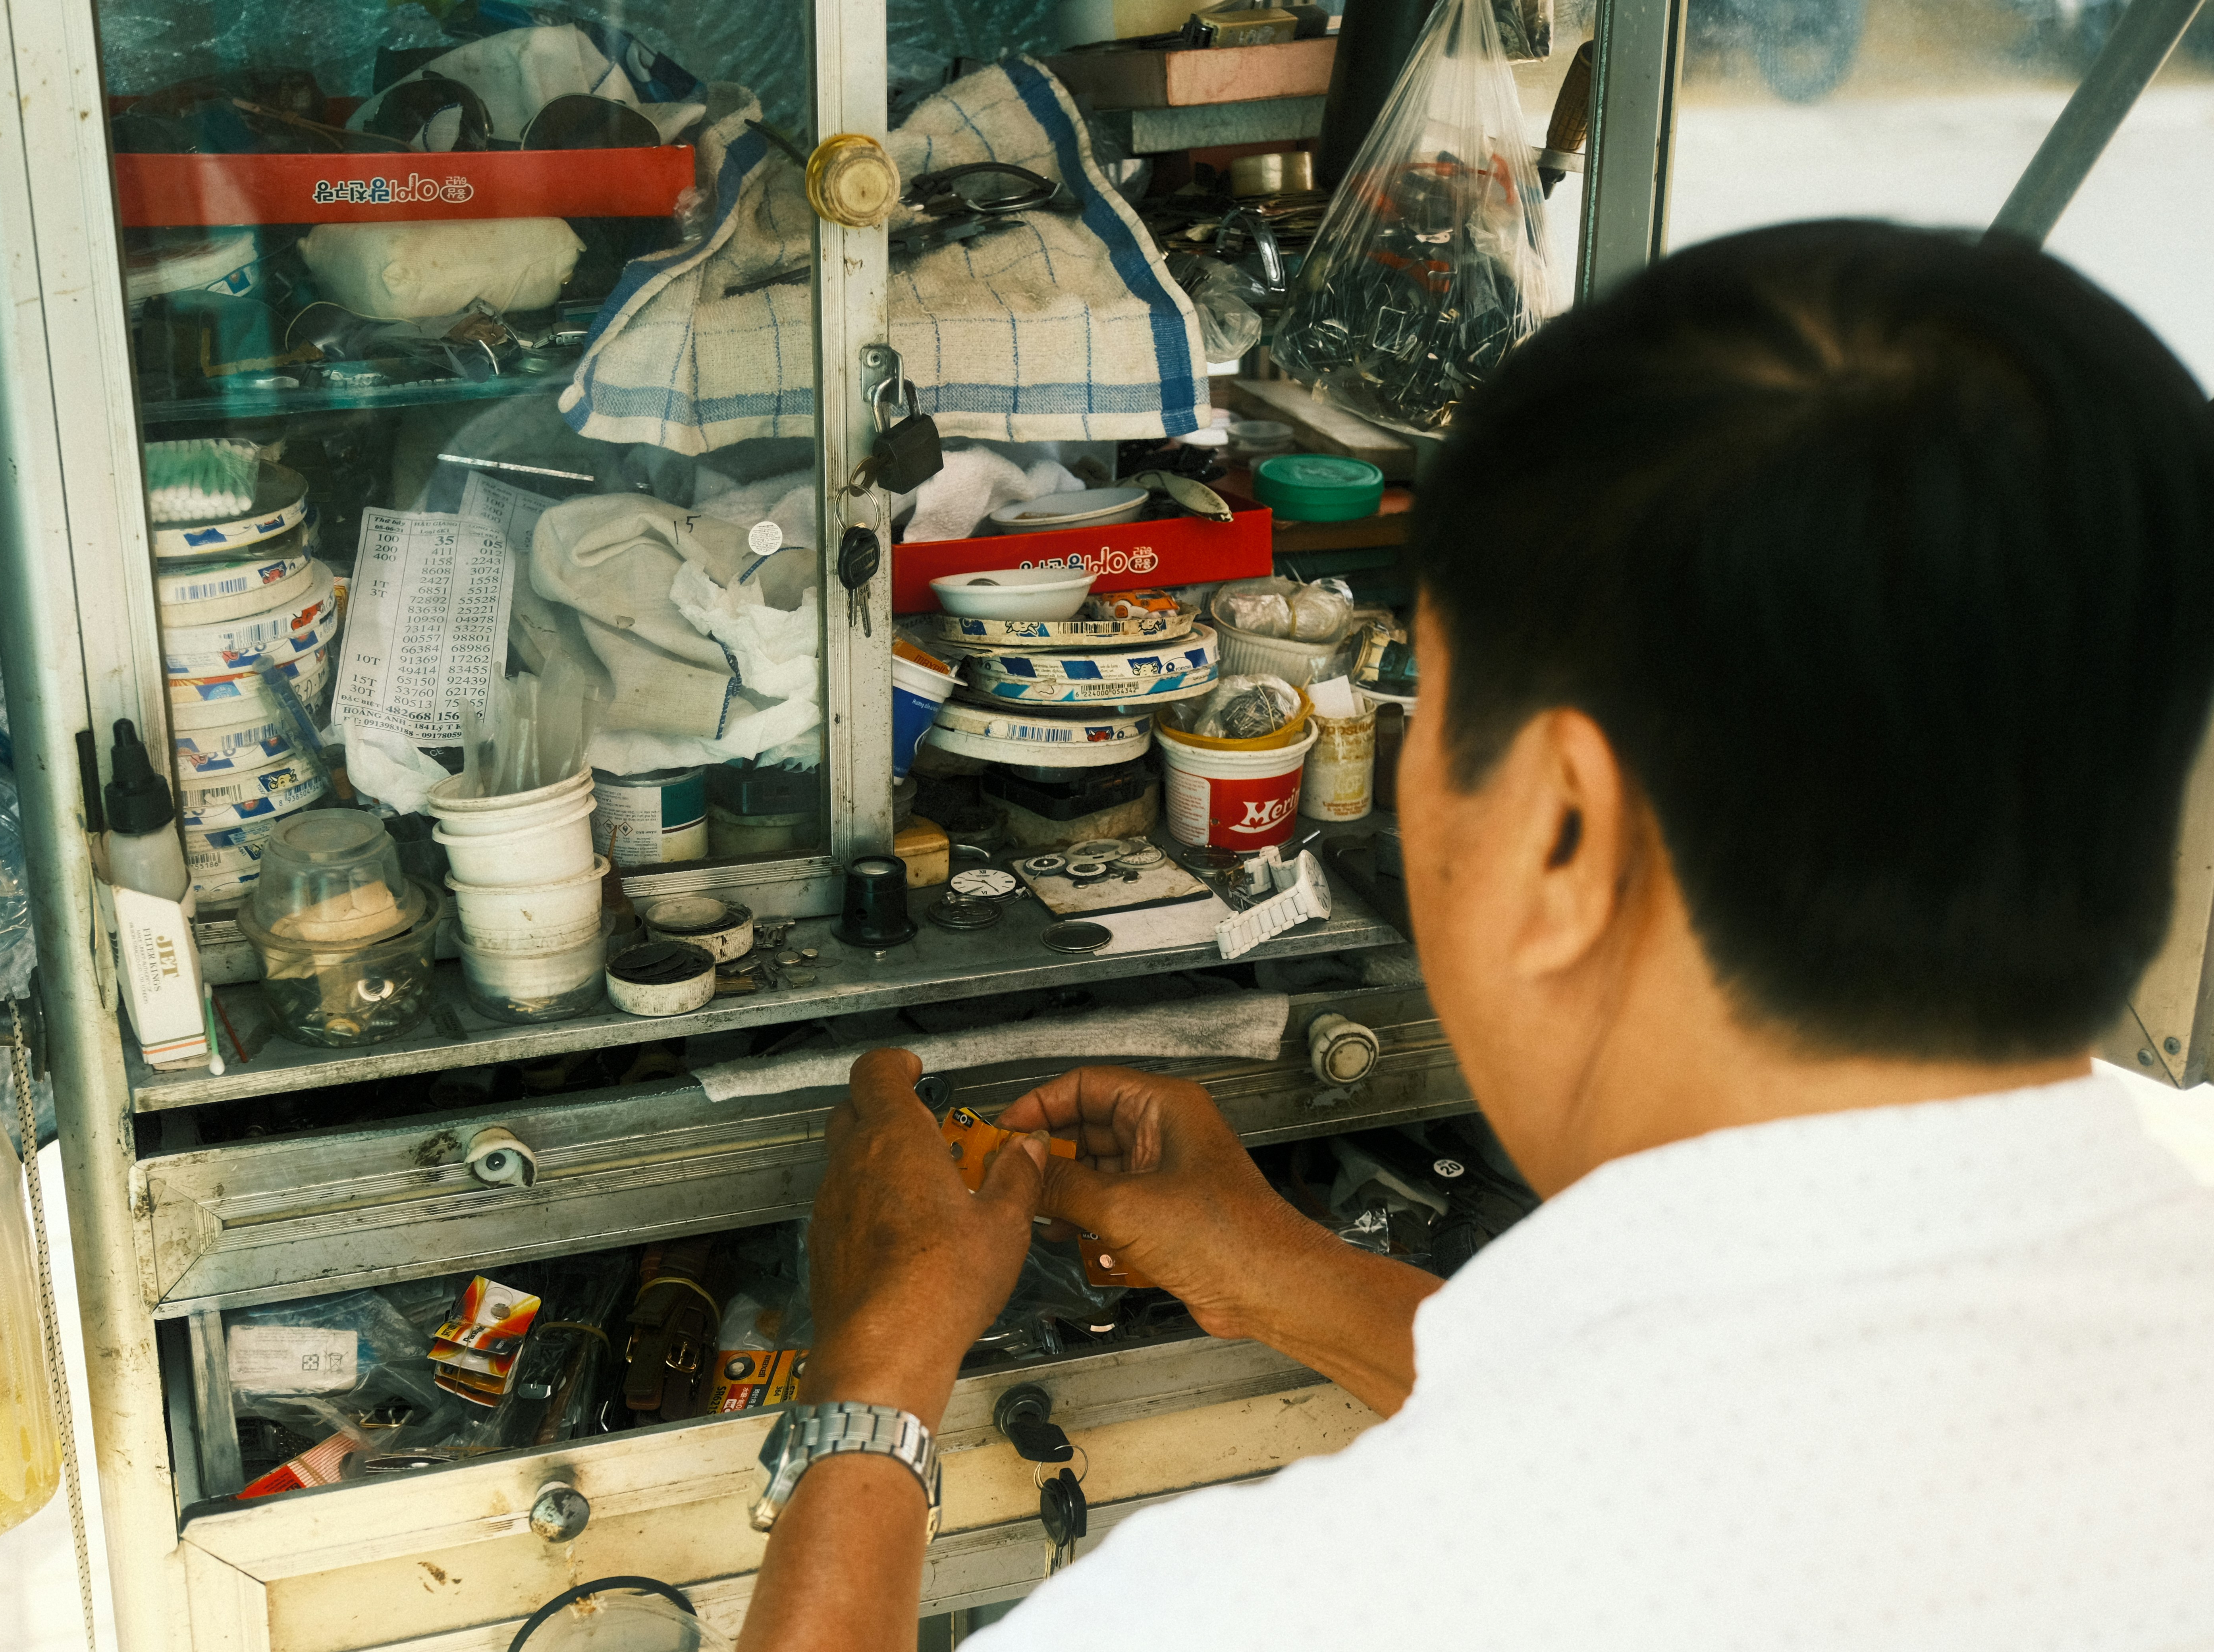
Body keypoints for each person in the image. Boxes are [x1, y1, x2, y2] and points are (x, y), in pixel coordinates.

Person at [735, 220, 2214, 1650]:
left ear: (1567, 832)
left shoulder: (1301, 1611)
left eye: (1418, 707)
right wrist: (1282, 1274)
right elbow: (1715, 1450)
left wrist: (874, 1383)